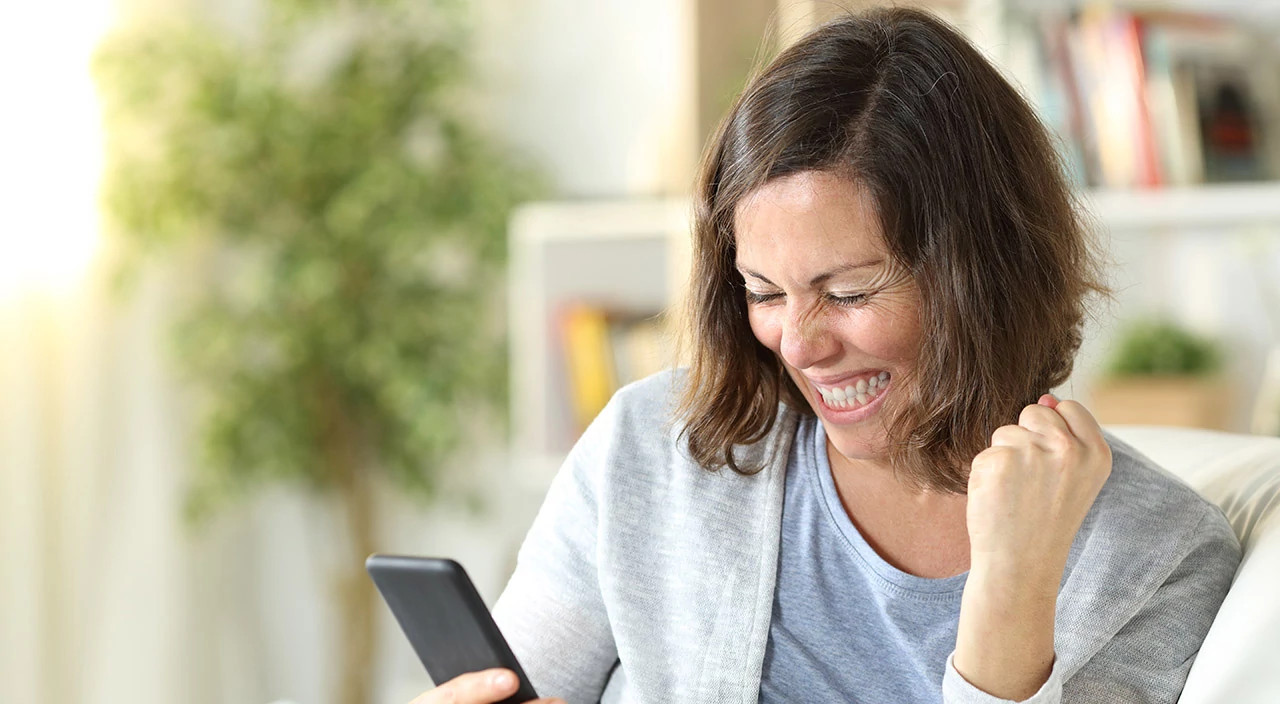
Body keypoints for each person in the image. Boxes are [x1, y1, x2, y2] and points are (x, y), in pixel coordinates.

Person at [410, 7, 1241, 704]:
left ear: (985, 276)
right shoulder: (647, 449)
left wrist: (1014, 588)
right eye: (765, 292)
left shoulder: (1155, 558)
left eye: (848, 292)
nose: (799, 345)